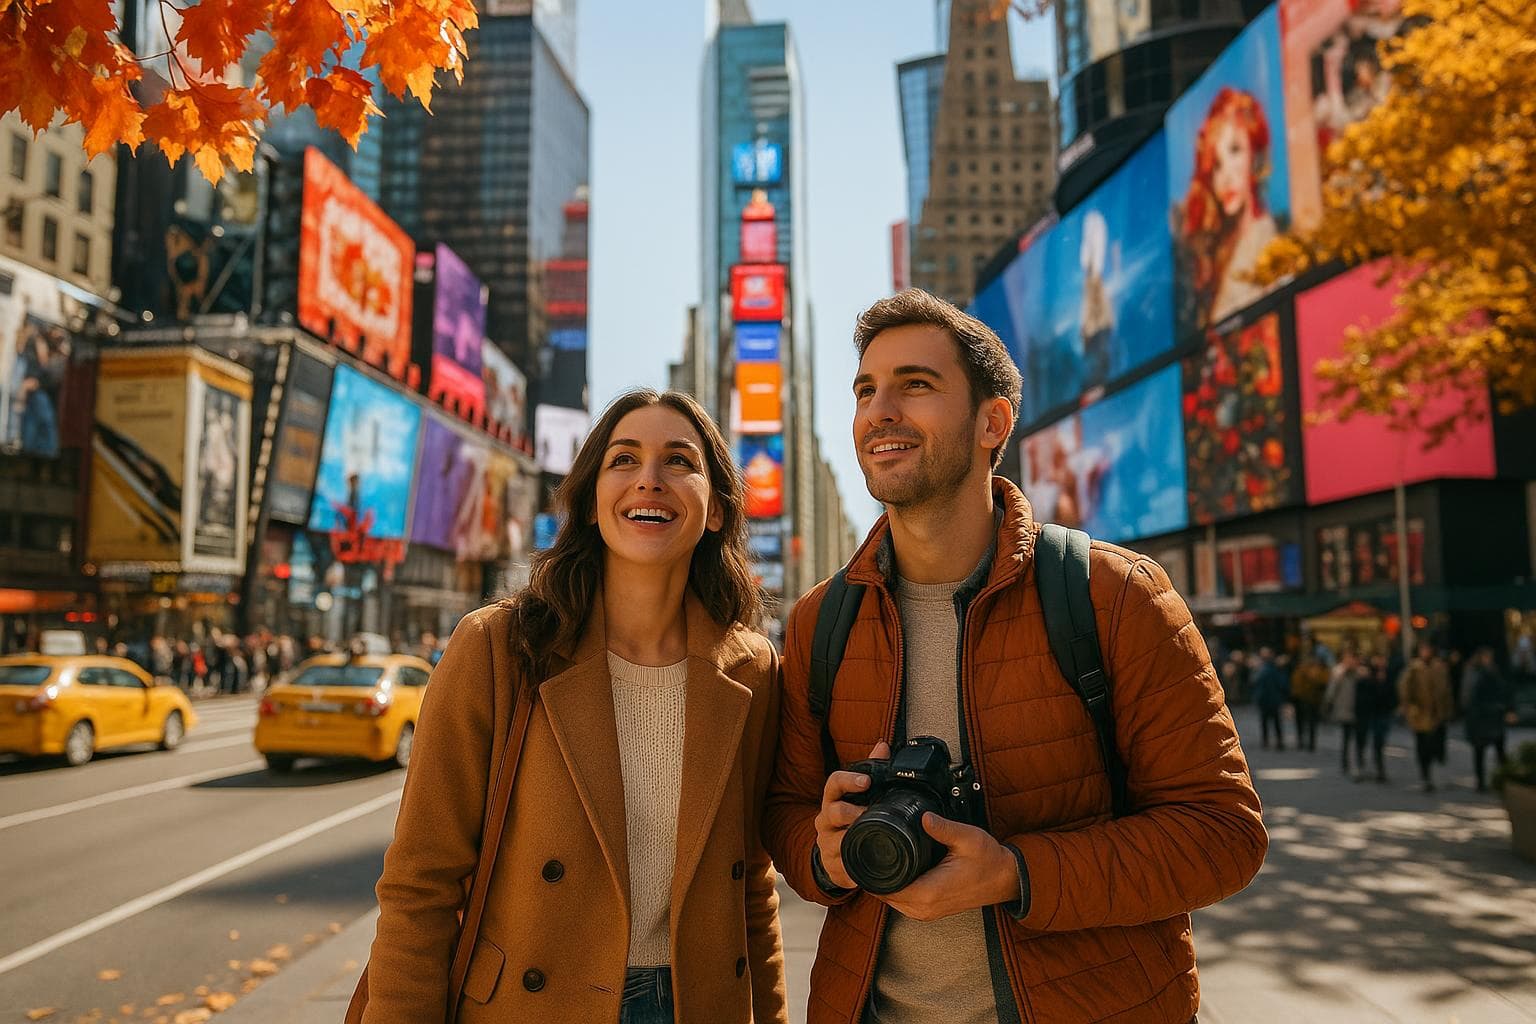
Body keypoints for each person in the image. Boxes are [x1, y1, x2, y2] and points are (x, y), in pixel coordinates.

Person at [764, 290, 1266, 1024]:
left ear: (992, 423)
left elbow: (1223, 834)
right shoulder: (822, 620)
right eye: (866, 390)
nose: (880, 411)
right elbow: (785, 810)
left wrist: (1015, 873)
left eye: (915, 384)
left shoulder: (1115, 595)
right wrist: (824, 854)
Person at [361, 390, 786, 1024]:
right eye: (623, 459)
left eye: (679, 461)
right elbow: (421, 883)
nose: (649, 479)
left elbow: (750, 883)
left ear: (718, 509)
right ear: (590, 502)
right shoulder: (499, 647)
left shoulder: (752, 669)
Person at [1177, 87, 1280, 329]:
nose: (1225, 177)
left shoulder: (1267, 243)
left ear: (1254, 153)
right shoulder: (1220, 254)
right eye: (1216, 165)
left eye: (1235, 150)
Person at [1398, 642, 1453, 792]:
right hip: (1420, 714)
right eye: (1423, 649)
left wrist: (1447, 709)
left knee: (1435, 743)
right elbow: (1404, 688)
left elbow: (1446, 690)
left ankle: (1434, 765)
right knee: (1422, 745)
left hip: (1436, 714)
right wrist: (1408, 707)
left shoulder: (1439, 667)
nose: (1426, 652)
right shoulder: (1414, 668)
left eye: (1428, 649)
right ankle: (1425, 775)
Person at [1460, 647, 1513, 792]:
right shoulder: (1475, 673)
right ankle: (1481, 782)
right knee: (1480, 752)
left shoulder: (1493, 672)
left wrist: (1505, 708)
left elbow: (1504, 690)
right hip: (1480, 718)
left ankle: (1505, 781)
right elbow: (1469, 697)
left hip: (1493, 718)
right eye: (1485, 657)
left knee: (1499, 750)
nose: (1487, 659)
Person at [1323, 650, 1365, 777]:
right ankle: (1346, 762)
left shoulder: (1361, 673)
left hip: (1359, 710)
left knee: (1359, 739)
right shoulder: (1338, 672)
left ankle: (1358, 762)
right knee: (1347, 738)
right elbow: (1331, 691)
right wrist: (1328, 704)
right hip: (1344, 710)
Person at [1252, 647, 1290, 750]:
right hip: (1270, 699)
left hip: (1269, 699)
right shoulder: (1272, 668)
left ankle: (1269, 741)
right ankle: (1276, 741)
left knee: (1269, 721)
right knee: (1273, 721)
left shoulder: (1264, 669)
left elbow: (1255, 683)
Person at [1290, 651, 1329, 752]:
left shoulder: (1321, 670)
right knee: (1301, 721)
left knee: (1311, 722)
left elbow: (1323, 682)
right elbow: (1296, 684)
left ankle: (1310, 742)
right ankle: (1302, 741)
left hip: (1313, 700)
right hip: (1302, 699)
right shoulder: (1302, 669)